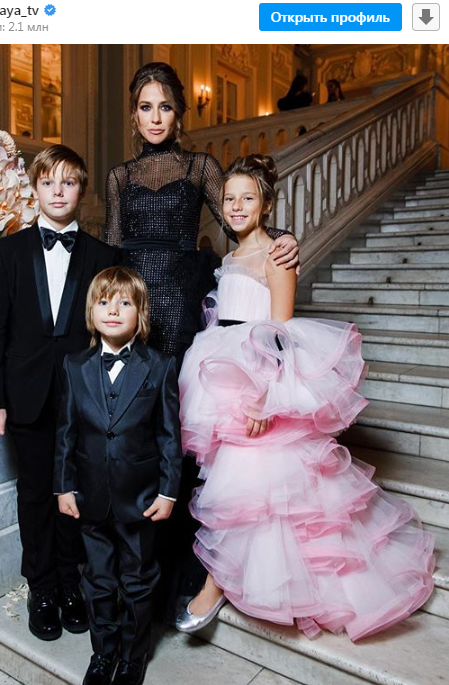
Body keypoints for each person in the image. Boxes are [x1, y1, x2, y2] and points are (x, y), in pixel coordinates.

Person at [175, 154, 435, 641]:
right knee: (236, 486)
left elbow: (281, 334)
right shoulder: (228, 259)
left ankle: (216, 584)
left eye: (247, 198)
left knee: (254, 485)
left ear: (266, 205)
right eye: (229, 199)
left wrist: (264, 398)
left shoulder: (277, 255)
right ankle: (237, 574)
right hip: (222, 376)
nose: (236, 206)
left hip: (258, 380)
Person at [105, 61, 299, 606]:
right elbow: (112, 253)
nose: (155, 117)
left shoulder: (200, 166)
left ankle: (189, 566)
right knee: (136, 434)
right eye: (145, 107)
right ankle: (136, 562)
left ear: (180, 113)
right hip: (134, 314)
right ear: (134, 114)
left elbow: (243, 224)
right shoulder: (119, 177)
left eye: (165, 106)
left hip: (184, 314)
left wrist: (287, 240)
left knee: (185, 440)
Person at [0, 145, 120, 642]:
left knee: (76, 492)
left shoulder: (104, 256)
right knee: (36, 492)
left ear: (82, 190)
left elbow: (111, 332)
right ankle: (40, 588)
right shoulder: (11, 252)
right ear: (34, 189)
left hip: (83, 399)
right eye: (48, 183)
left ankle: (68, 583)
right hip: (26, 396)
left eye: (69, 182)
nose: (58, 192)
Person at [55, 266, 182, 685]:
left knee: (138, 581)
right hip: (90, 498)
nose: (113, 310)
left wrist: (168, 492)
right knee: (97, 580)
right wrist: (64, 486)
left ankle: (132, 656)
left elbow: (169, 435)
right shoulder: (74, 365)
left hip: (141, 499)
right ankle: (103, 653)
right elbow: (66, 432)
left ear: (140, 314)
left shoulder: (160, 366)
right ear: (91, 312)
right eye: (104, 302)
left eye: (124, 303)